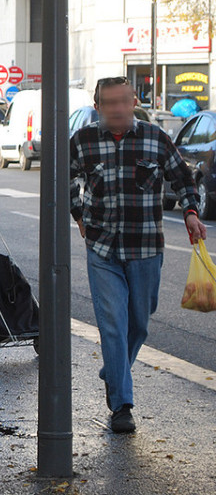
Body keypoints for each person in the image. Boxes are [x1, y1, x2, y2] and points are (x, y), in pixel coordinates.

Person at [70, 76, 205, 433]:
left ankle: (113, 372)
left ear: (133, 102)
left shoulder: (155, 138)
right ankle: (121, 406)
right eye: (109, 103)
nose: (117, 109)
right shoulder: (82, 141)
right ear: (97, 107)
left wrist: (190, 213)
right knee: (112, 325)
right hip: (102, 247)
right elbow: (62, 178)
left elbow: (183, 178)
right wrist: (78, 213)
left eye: (123, 102)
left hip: (145, 246)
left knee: (140, 323)